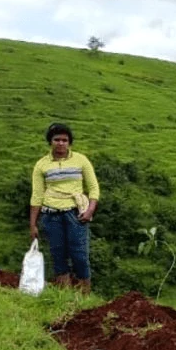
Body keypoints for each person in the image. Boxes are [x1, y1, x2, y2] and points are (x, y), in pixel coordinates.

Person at [29, 122, 100, 293]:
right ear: (50, 141)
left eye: (64, 140)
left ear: (69, 142)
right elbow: (37, 195)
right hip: (51, 214)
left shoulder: (80, 160)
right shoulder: (42, 165)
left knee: (80, 255)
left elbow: (93, 188)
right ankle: (64, 294)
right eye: (57, 140)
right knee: (58, 254)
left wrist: (90, 210)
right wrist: (33, 224)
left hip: (75, 213)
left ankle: (84, 294)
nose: (61, 143)